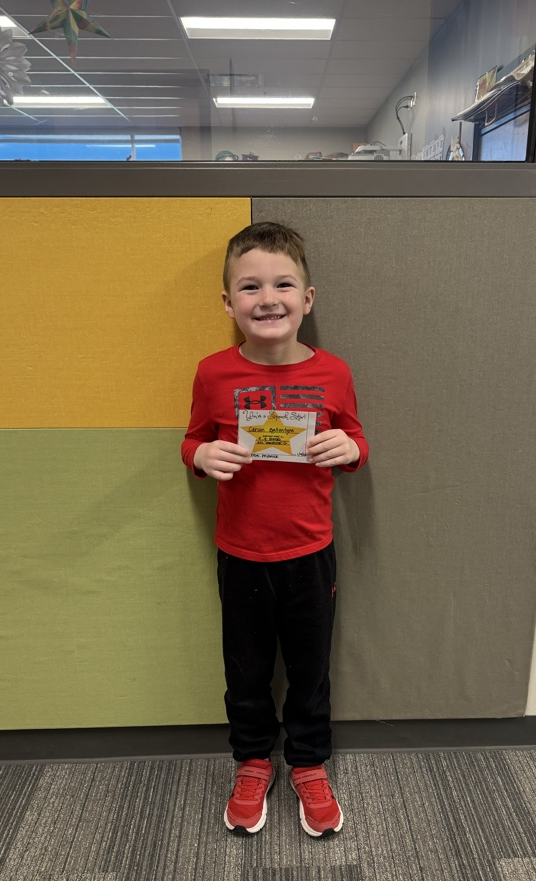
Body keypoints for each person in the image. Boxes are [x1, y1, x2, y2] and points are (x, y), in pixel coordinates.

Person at [181, 221, 369, 838]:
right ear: (228, 302)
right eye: (250, 286)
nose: (268, 298)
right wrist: (201, 457)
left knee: (310, 669)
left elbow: (356, 439)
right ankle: (253, 761)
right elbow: (192, 440)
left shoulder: (334, 373)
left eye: (283, 285)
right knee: (246, 669)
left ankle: (308, 763)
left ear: (307, 299)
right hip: (240, 554)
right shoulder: (212, 374)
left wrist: (351, 448)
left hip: (311, 552)